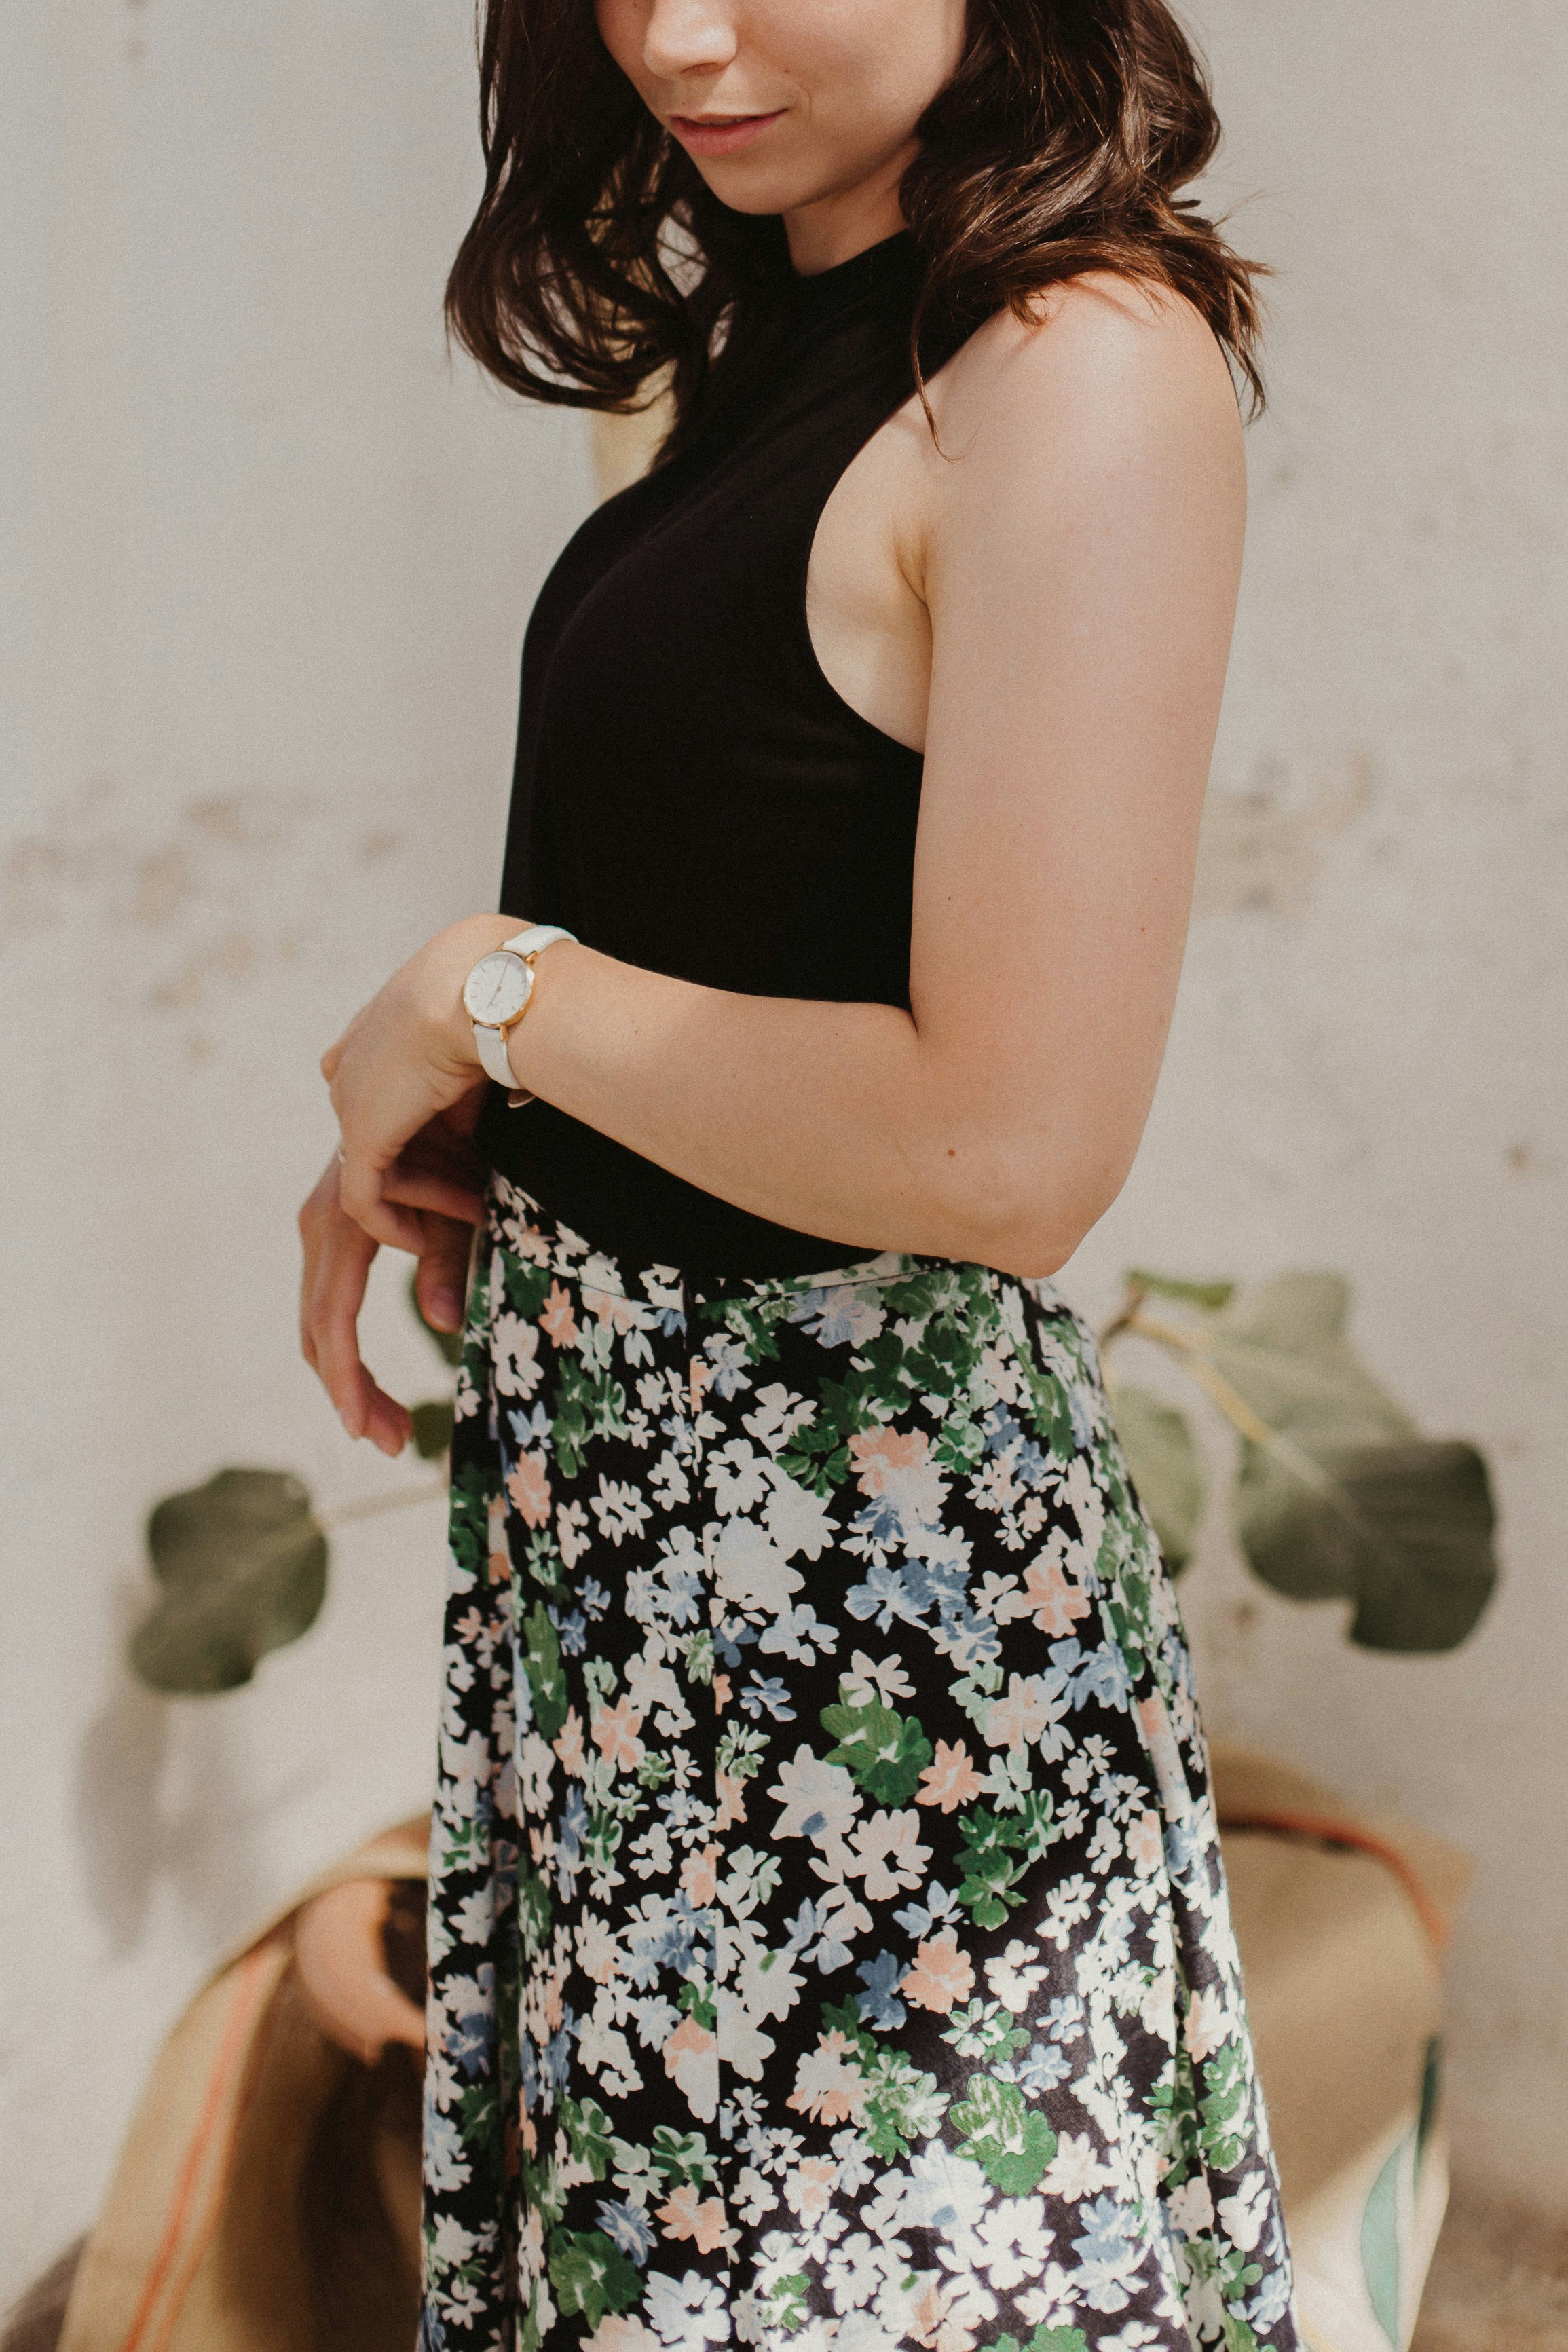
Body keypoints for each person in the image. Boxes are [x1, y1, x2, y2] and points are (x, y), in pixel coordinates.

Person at [298, 0, 1298, 2344]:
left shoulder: (1074, 365)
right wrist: (511, 1128)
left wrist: (487, 992)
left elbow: (1007, 1140)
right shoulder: (804, 319)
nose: (683, 30)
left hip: (859, 1622)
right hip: (658, 1596)